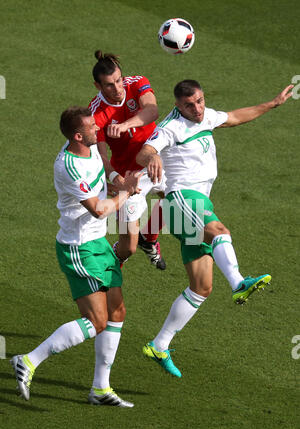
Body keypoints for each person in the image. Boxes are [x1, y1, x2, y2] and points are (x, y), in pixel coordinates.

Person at [136, 80, 294, 377]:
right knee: (220, 230)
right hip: (182, 198)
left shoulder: (205, 115)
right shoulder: (171, 128)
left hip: (195, 202)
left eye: (199, 101)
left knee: (201, 287)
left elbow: (233, 117)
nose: (197, 109)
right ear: (178, 106)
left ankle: (159, 345)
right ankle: (238, 283)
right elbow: (143, 153)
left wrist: (272, 104)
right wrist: (153, 155)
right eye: (189, 105)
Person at [11, 106, 141, 407]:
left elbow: (103, 162)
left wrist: (116, 178)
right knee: (96, 321)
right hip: (78, 246)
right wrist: (127, 192)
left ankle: (100, 389)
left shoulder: (90, 147)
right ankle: (28, 361)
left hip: (98, 242)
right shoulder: (68, 166)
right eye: (92, 128)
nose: (99, 130)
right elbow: (98, 209)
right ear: (78, 135)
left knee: (117, 313)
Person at [89, 50, 166, 270]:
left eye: (118, 80)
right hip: (129, 177)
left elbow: (152, 110)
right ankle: (112, 263)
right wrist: (117, 180)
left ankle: (149, 238)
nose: (118, 88)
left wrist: (124, 126)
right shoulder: (96, 114)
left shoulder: (137, 83)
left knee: (180, 198)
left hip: (155, 159)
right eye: (109, 85)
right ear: (98, 86)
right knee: (127, 248)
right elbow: (101, 157)